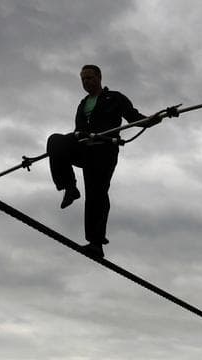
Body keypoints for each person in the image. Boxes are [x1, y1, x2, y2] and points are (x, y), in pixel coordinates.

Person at [47, 64, 158, 259]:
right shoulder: (82, 104)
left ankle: (95, 244)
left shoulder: (114, 98)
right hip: (84, 147)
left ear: (99, 78)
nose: (86, 82)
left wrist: (156, 118)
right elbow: (77, 130)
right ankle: (69, 187)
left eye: (89, 78)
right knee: (55, 141)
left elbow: (134, 118)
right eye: (83, 79)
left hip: (104, 150)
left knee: (96, 193)